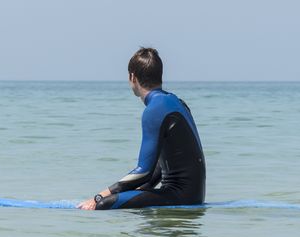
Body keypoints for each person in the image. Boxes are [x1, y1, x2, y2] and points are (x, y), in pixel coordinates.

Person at [78, 47, 205, 210]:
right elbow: (159, 168)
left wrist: (99, 196)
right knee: (132, 200)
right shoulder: (175, 102)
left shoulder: (155, 109)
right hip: (194, 196)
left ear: (132, 77)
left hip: (179, 196)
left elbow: (143, 172)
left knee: (105, 205)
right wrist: (141, 190)